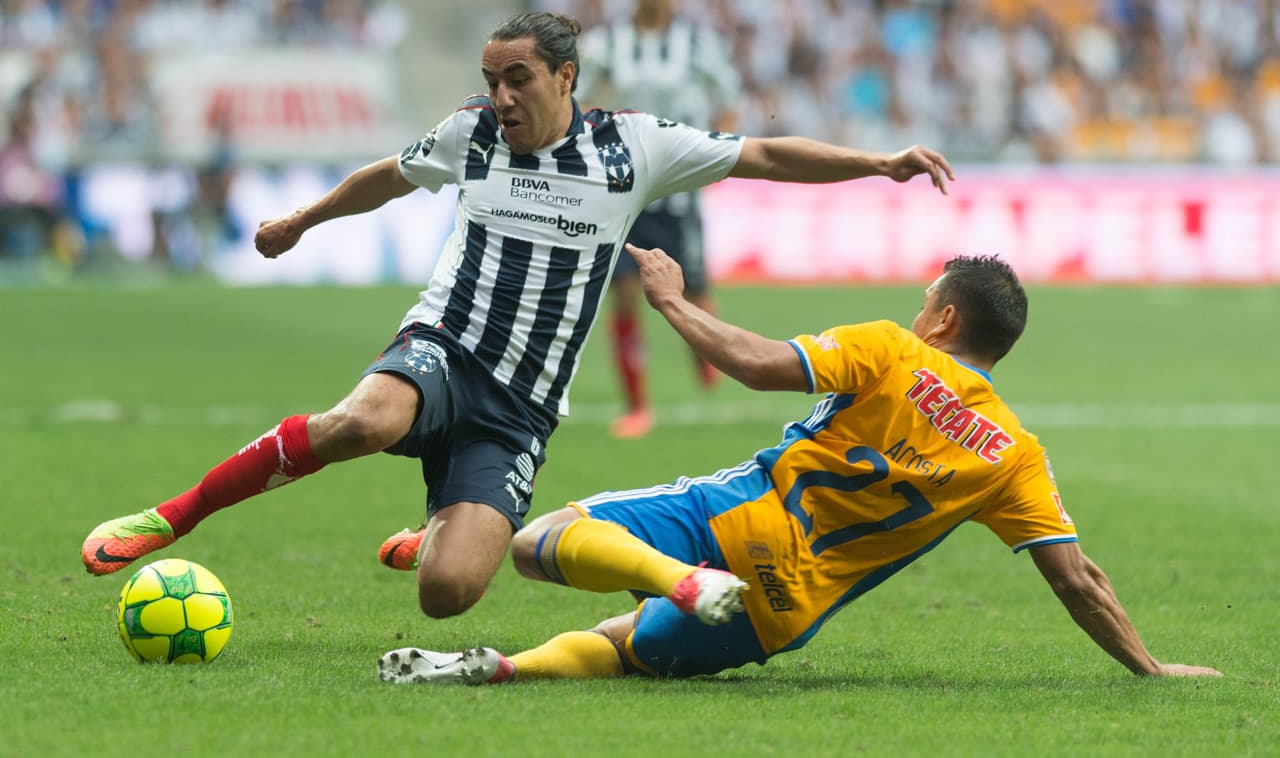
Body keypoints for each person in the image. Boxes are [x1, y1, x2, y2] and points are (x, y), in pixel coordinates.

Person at [81, 11, 953, 622]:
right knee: (367, 419)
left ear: (565, 76)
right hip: (445, 344)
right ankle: (177, 513)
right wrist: (302, 221)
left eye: (518, 78)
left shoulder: (632, 147)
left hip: (522, 404)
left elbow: (760, 151)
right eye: (492, 79)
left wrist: (878, 161)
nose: (500, 96)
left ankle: (434, 533)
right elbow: (388, 174)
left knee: (448, 593)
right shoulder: (472, 135)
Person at [378, 248, 1222, 682]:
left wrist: (672, 301)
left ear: (944, 316)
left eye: (925, 297)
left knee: (540, 544)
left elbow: (749, 359)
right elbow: (1080, 581)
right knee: (625, 649)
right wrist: (1150, 666)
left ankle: (674, 578)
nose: (915, 307)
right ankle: (503, 668)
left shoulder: (891, 350)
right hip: (785, 605)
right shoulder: (1016, 457)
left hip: (729, 514)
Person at [575, 0, 741, 439]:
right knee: (625, 293)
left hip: (680, 194)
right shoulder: (607, 44)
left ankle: (705, 349)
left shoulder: (698, 44)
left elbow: (728, 103)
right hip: (624, 190)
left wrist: (716, 155)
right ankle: (636, 405)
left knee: (693, 294)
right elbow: (579, 103)